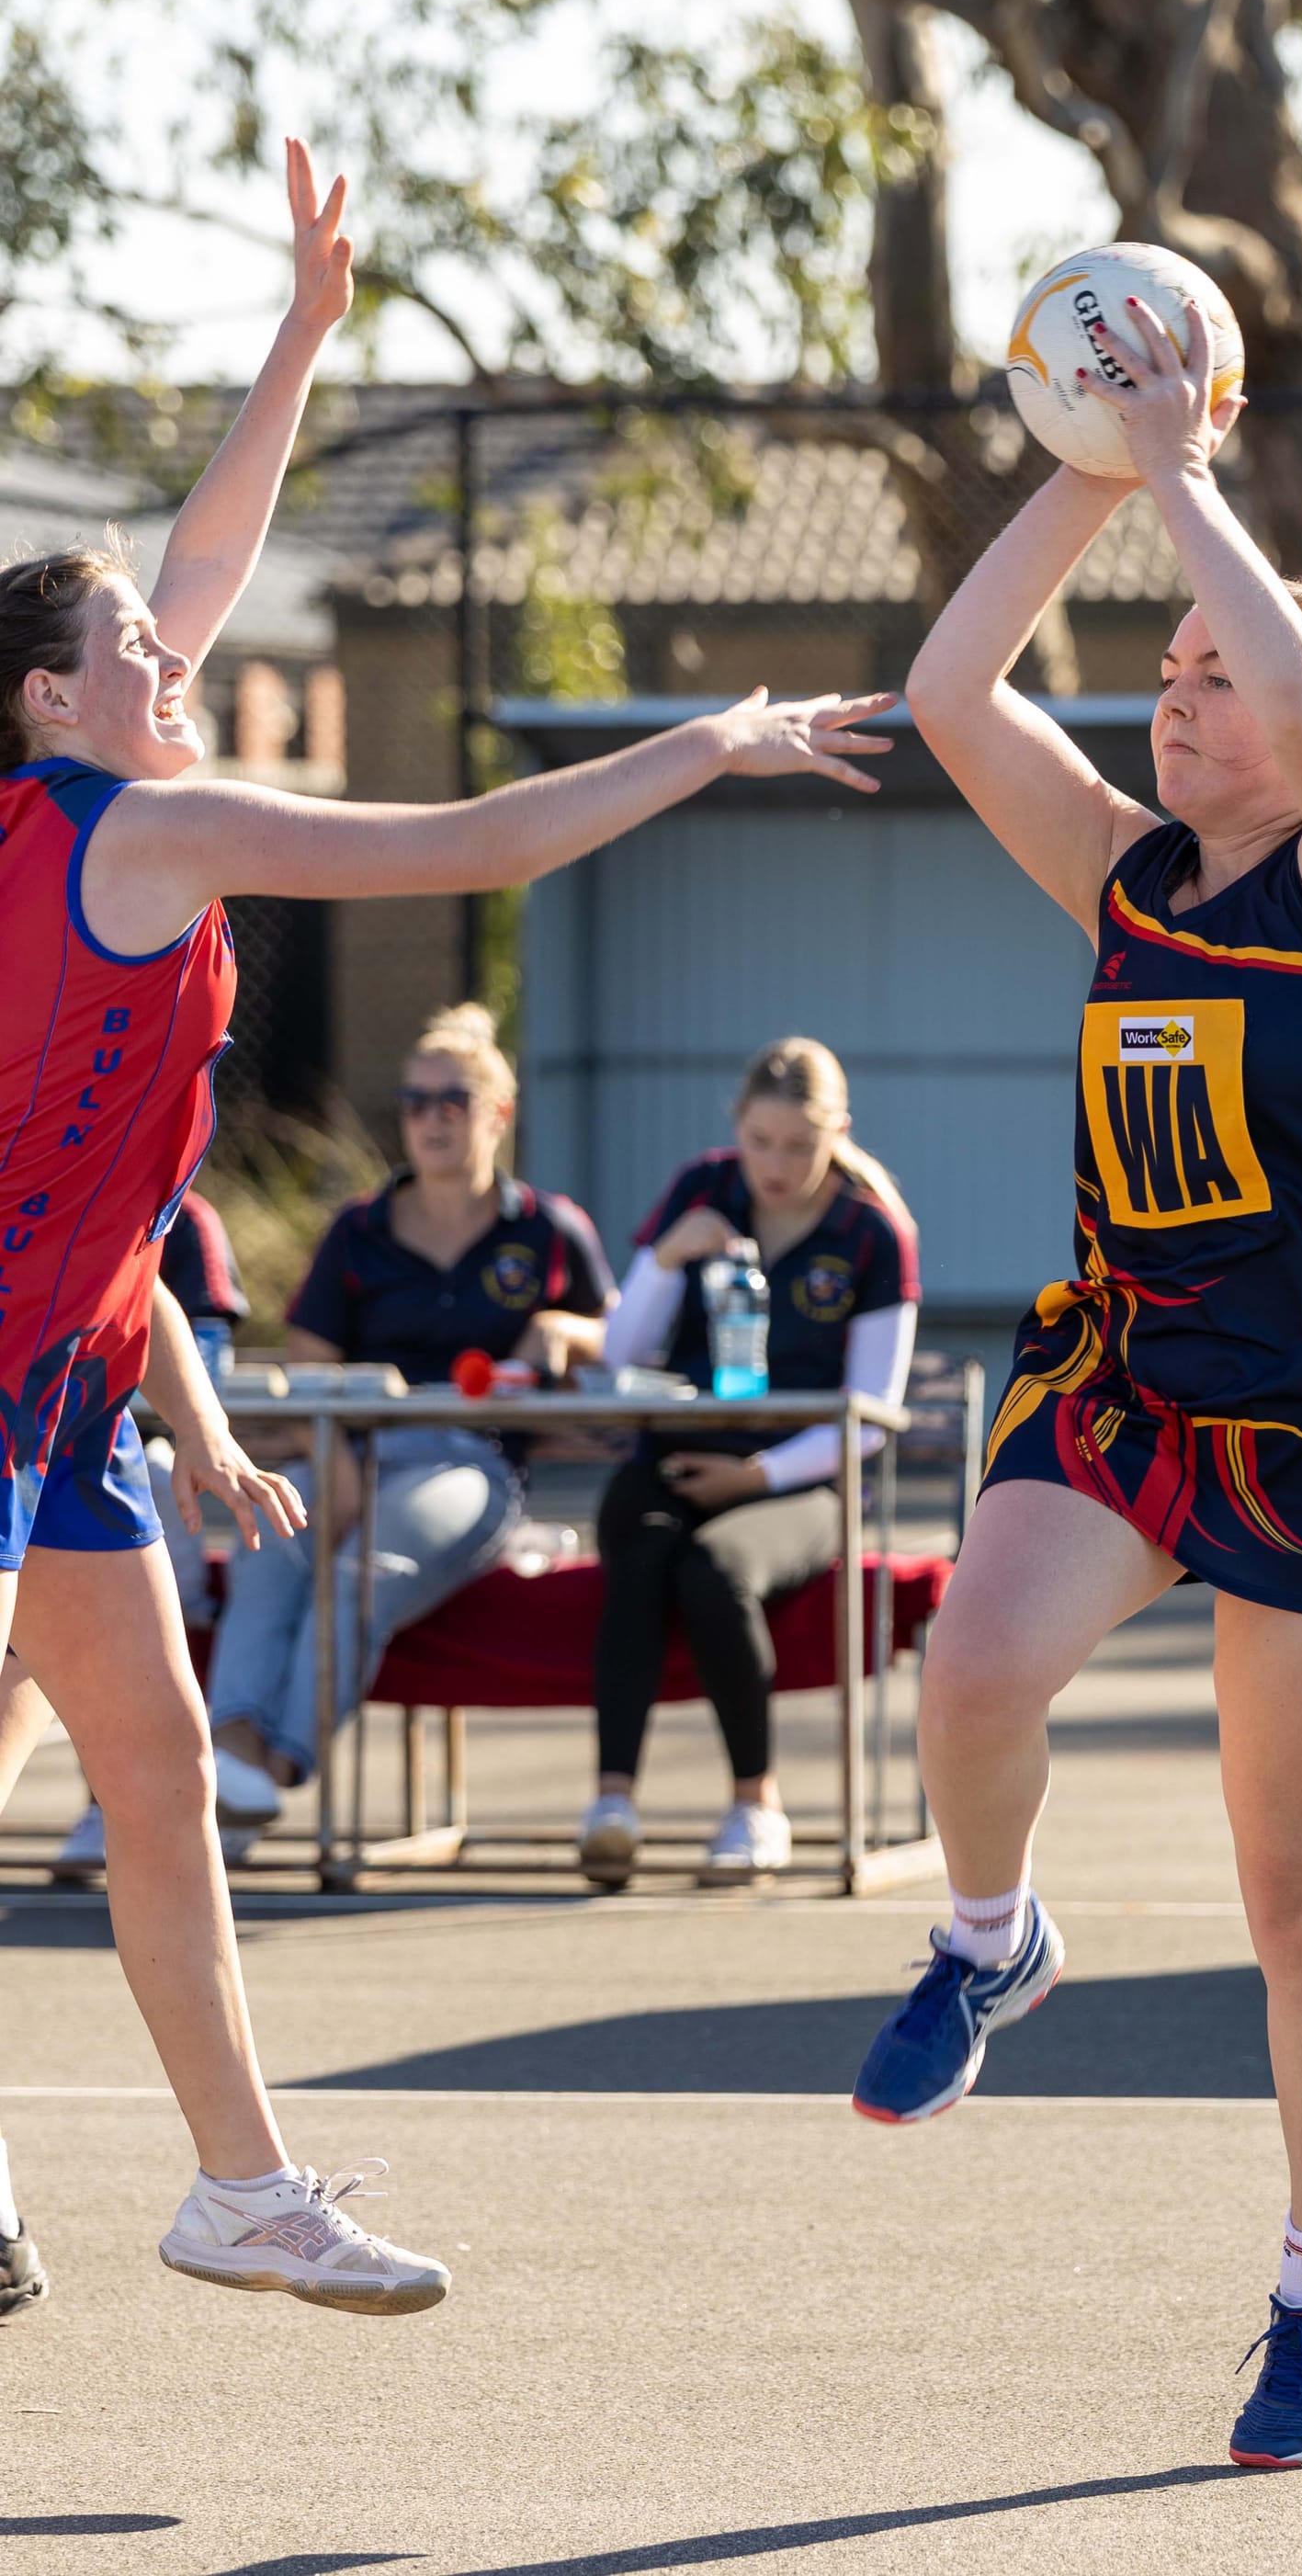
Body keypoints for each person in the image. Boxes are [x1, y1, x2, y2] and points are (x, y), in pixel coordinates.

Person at [0, 135, 893, 2317]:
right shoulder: (154, 829)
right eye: (131, 636)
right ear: (51, 694)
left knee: (149, 1777)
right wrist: (702, 739)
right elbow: (477, 826)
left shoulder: (93, 801)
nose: (170, 634)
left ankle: (239, 2183)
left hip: (77, 1379)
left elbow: (203, 551)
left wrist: (308, 321)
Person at [849, 299, 1302, 2470]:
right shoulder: (1126, 878)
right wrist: (1088, 460)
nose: (1173, 689)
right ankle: (989, 1932)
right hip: (1138, 1376)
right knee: (965, 1669)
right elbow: (951, 690)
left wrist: (1189, 468)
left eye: (1207, 671)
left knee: (1287, 1885)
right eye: (1165, 668)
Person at [206, 1002, 613, 1834]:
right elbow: (311, 1367)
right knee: (270, 1549)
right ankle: (227, 1750)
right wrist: (343, 1457)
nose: (431, 1119)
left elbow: (624, 1335)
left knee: (365, 1569)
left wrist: (566, 1330)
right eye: (416, 1101)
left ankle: (277, 1761)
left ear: (498, 1113)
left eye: (453, 1101)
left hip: (475, 1462)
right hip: (353, 1446)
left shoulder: (549, 1230)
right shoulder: (359, 1229)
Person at [581, 1038, 919, 1884]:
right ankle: (612, 1800)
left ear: (839, 1132)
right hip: (679, 1455)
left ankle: (754, 1803)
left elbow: (869, 1418)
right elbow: (620, 1353)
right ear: (736, 1128)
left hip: (800, 1478)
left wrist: (755, 1477)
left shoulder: (873, 1232)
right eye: (761, 1142)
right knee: (640, 1543)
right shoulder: (703, 1189)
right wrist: (665, 1259)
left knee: (713, 1570)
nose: (777, 1164)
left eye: (801, 1145)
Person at [50, 1186, 249, 1878]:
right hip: (59, 1455)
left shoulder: (178, 1211)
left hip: (115, 1456)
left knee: (170, 1771)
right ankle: (117, 1798)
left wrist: (201, 1427)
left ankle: (131, 1795)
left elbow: (149, 1294)